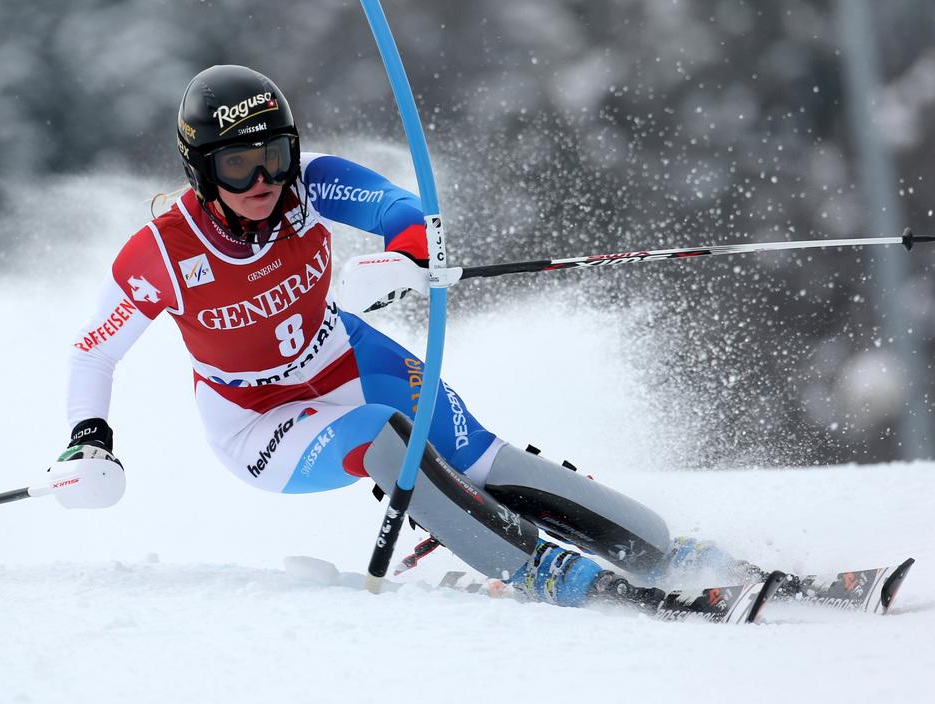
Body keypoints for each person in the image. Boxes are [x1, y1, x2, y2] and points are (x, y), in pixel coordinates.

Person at [57, 64, 730, 610]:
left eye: (275, 154)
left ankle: (661, 550)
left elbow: (401, 212)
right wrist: (88, 439)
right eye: (239, 166)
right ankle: (541, 569)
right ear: (202, 169)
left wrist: (402, 259)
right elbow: (95, 351)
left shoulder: (310, 183)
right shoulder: (164, 253)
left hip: (344, 355)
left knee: (475, 452)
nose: (264, 180)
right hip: (259, 423)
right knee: (384, 434)